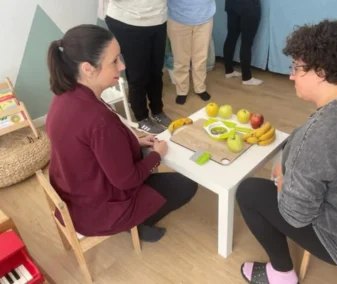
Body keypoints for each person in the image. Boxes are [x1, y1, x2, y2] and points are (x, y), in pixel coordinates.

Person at [236, 20, 337, 284]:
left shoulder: (317, 137)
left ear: (321, 72)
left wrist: (280, 179)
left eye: (296, 68)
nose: (291, 75)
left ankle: (281, 274)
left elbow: (294, 216)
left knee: (249, 192)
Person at [46, 24, 198, 242]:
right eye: (114, 61)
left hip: (75, 192)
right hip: (97, 208)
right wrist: (158, 155)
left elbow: (92, 149)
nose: (122, 66)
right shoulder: (98, 120)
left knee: (146, 161)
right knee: (186, 186)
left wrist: (134, 142)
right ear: (88, 68)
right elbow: (127, 180)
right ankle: (136, 222)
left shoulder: (62, 96)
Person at [105, 0, 171, 134]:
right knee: (138, 74)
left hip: (158, 19)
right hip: (128, 21)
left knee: (156, 71)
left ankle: (157, 111)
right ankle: (142, 118)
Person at [167, 0, 216, 105]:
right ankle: (182, 91)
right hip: (178, 18)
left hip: (204, 17)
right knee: (181, 59)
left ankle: (200, 88)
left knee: (201, 57)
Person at [223, 0, 263, 85]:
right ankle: (247, 78)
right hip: (249, 6)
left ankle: (229, 71)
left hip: (232, 5)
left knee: (231, 37)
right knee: (246, 43)